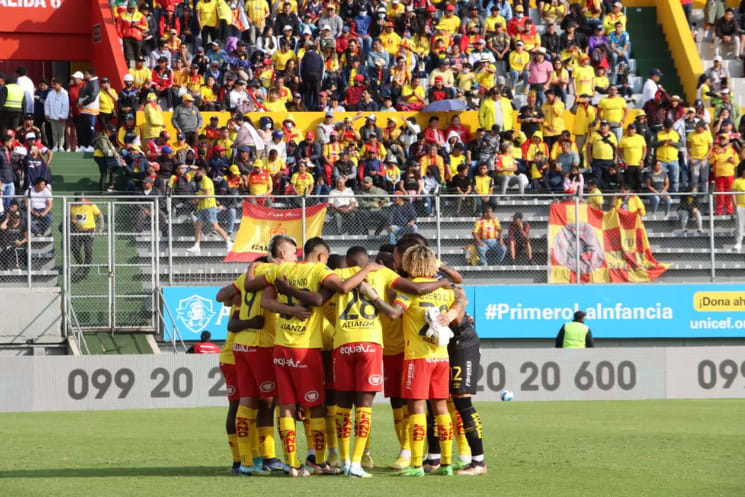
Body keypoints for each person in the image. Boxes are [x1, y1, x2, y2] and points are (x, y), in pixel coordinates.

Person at [390, 244, 467, 477]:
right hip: (441, 358)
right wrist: (453, 312)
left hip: (417, 358)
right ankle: (446, 463)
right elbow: (460, 298)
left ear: (410, 264)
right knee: (441, 408)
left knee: (416, 409)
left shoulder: (408, 290)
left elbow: (395, 312)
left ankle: (415, 464)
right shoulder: (444, 291)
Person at [186, 164, 233, 255]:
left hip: (209, 207)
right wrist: (196, 199)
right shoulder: (203, 181)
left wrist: (197, 199)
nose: (196, 175)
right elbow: (202, 193)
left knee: (215, 226)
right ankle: (197, 246)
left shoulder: (206, 180)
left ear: (201, 173)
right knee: (198, 226)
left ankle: (228, 242)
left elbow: (207, 194)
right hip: (203, 207)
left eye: (197, 173)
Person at [70, 193, 104, 279]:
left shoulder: (90, 205)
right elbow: (68, 218)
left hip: (89, 231)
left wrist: (100, 228)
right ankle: (81, 265)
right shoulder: (71, 205)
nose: (79, 202)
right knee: (75, 248)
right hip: (77, 231)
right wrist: (71, 220)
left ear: (84, 198)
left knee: (88, 251)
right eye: (77, 201)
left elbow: (100, 215)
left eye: (80, 200)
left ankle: (86, 271)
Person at [44, 78, 69, 152]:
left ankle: (61, 146)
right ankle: (55, 146)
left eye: (55, 84)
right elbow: (47, 104)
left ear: (60, 84)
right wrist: (47, 113)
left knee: (61, 132)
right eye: (53, 85)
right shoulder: (51, 93)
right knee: (54, 132)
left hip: (60, 117)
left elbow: (66, 105)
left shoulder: (64, 93)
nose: (54, 86)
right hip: (52, 116)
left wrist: (63, 116)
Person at [732, 164, 745, 251]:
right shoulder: (737, 181)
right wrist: (735, 204)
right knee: (740, 225)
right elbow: (733, 193)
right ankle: (739, 242)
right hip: (740, 206)